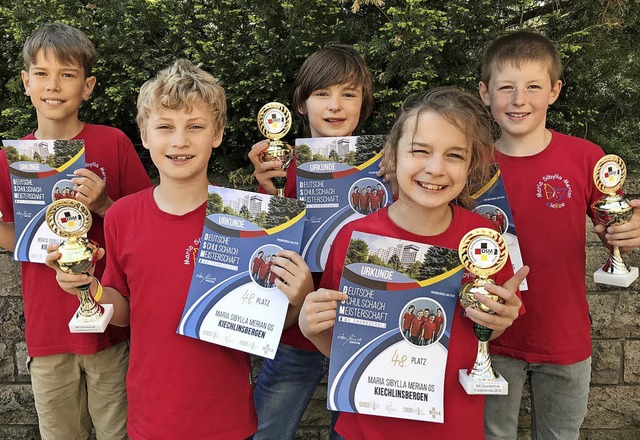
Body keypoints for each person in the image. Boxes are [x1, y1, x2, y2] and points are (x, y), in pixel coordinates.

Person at [45, 59, 267, 439]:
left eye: (195, 126)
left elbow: (272, 315)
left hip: (227, 418)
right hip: (151, 417)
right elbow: (124, 311)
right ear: (144, 135)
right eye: (165, 127)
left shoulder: (246, 217)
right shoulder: (122, 217)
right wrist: (88, 287)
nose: (179, 140)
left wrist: (293, 297)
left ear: (217, 134)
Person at [299, 87, 529, 439]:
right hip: (362, 428)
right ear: (391, 156)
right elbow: (346, 348)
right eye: (420, 151)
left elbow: (487, 334)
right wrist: (312, 328)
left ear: (471, 165)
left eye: (454, 155)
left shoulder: (484, 239)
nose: (435, 169)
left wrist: (499, 320)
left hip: (454, 427)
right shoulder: (352, 238)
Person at [478, 30, 640, 440]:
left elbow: (613, 227)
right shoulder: (470, 162)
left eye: (533, 86)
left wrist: (629, 231)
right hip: (488, 338)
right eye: (506, 88)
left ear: (554, 91)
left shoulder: (586, 156)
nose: (519, 100)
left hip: (564, 339)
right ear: (484, 93)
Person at [0, 23, 150, 440]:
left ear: (88, 86)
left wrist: (103, 205)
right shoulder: (10, 157)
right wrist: (37, 244)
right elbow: (5, 230)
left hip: (109, 326)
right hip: (48, 331)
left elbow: (147, 223)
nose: (54, 85)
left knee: (117, 433)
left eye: (67, 74)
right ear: (26, 82)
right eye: (43, 74)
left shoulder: (113, 143)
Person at [248, 44, 375, 440]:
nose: (335, 105)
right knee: (266, 426)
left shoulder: (385, 166)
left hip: (361, 322)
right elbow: (266, 244)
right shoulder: (280, 166)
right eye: (322, 93)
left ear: (363, 105)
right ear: (300, 105)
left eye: (348, 94)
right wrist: (266, 191)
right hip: (293, 329)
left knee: (352, 432)